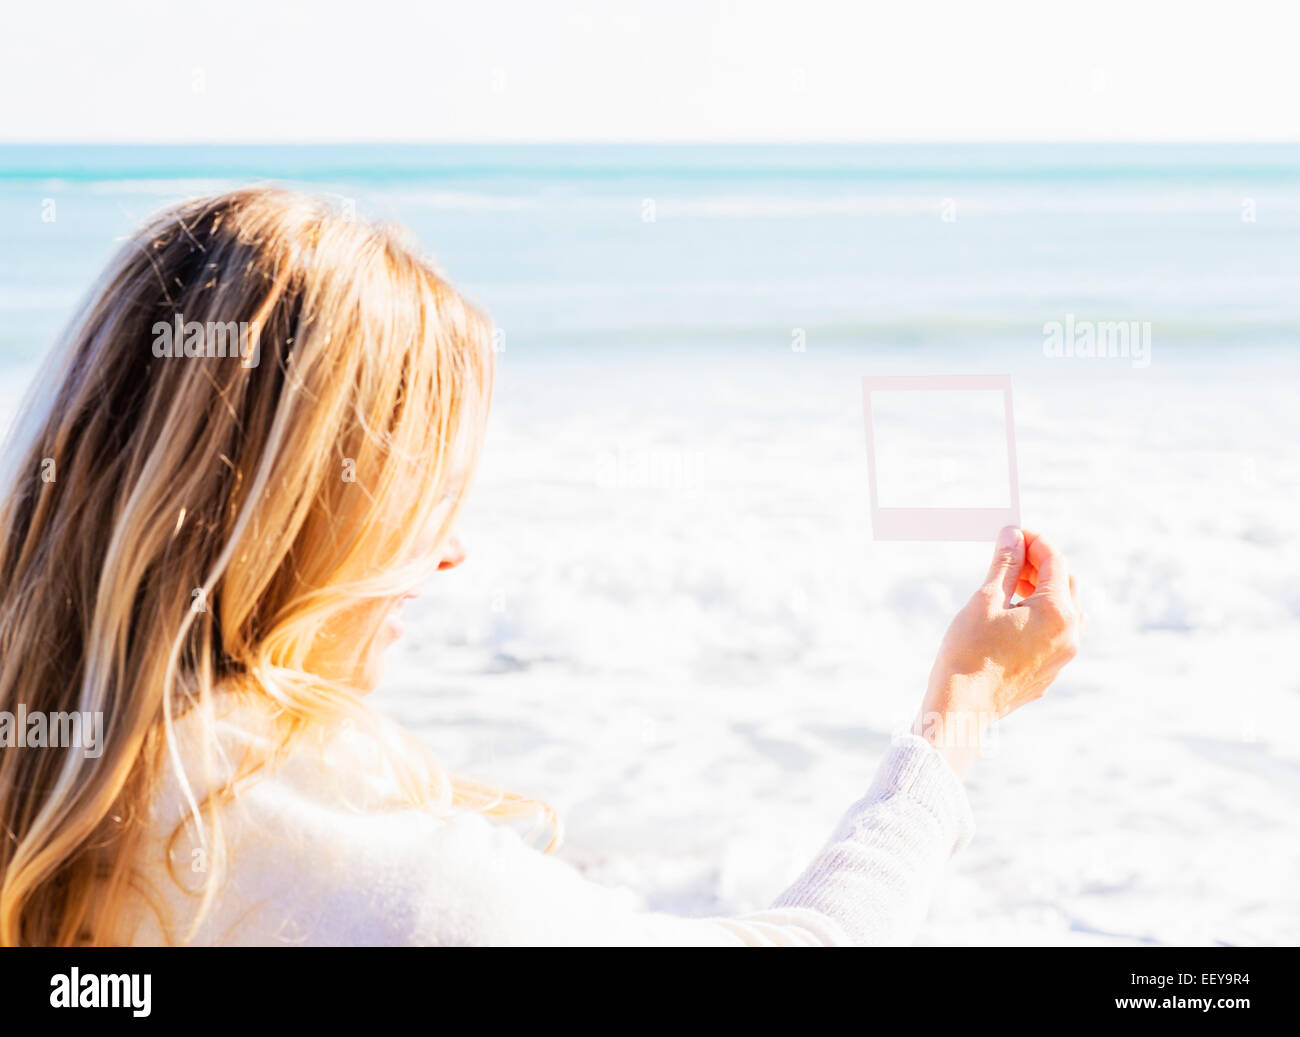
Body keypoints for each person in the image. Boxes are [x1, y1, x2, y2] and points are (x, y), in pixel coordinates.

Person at [0, 188, 1082, 946]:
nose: (451, 548)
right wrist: (964, 708)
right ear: (302, 522)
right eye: (422, 501)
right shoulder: (343, 869)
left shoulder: (50, 787)